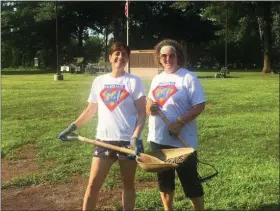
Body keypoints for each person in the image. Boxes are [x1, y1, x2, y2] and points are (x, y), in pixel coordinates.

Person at [58, 41, 146, 211]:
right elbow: (91, 109)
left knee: (128, 185)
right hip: (103, 140)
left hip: (128, 142)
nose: (120, 57)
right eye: (117, 54)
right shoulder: (99, 81)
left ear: (128, 59)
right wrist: (72, 127)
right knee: (92, 185)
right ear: (110, 57)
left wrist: (136, 136)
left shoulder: (134, 81)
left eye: (124, 54)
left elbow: (142, 113)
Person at [146, 39, 206, 211]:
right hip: (158, 138)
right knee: (164, 180)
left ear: (177, 56)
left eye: (171, 55)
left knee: (190, 180)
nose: (167, 58)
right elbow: (150, 101)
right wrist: (149, 106)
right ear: (159, 58)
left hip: (182, 140)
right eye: (163, 55)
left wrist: (179, 122)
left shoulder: (188, 77)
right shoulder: (157, 79)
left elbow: (199, 105)